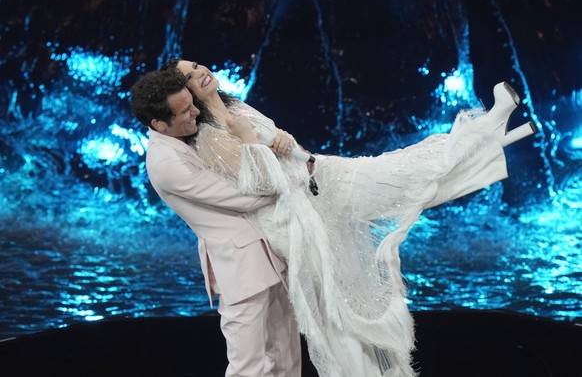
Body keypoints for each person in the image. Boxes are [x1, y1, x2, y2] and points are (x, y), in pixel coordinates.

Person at [164, 59, 535, 377]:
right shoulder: (211, 136)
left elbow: (282, 144)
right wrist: (257, 142)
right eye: (192, 76)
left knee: (403, 177)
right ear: (187, 95)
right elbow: (259, 181)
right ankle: (490, 135)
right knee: (344, 295)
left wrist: (287, 144)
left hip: (318, 176)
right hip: (300, 209)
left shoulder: (236, 105)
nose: (202, 73)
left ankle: (490, 134)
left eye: (198, 65)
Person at [129, 70, 302, 377]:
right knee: (247, 367)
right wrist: (284, 183)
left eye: (191, 103)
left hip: (268, 257)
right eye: (184, 111)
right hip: (241, 268)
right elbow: (242, 198)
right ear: (158, 124)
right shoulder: (166, 162)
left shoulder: (184, 136)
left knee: (285, 358)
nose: (195, 110)